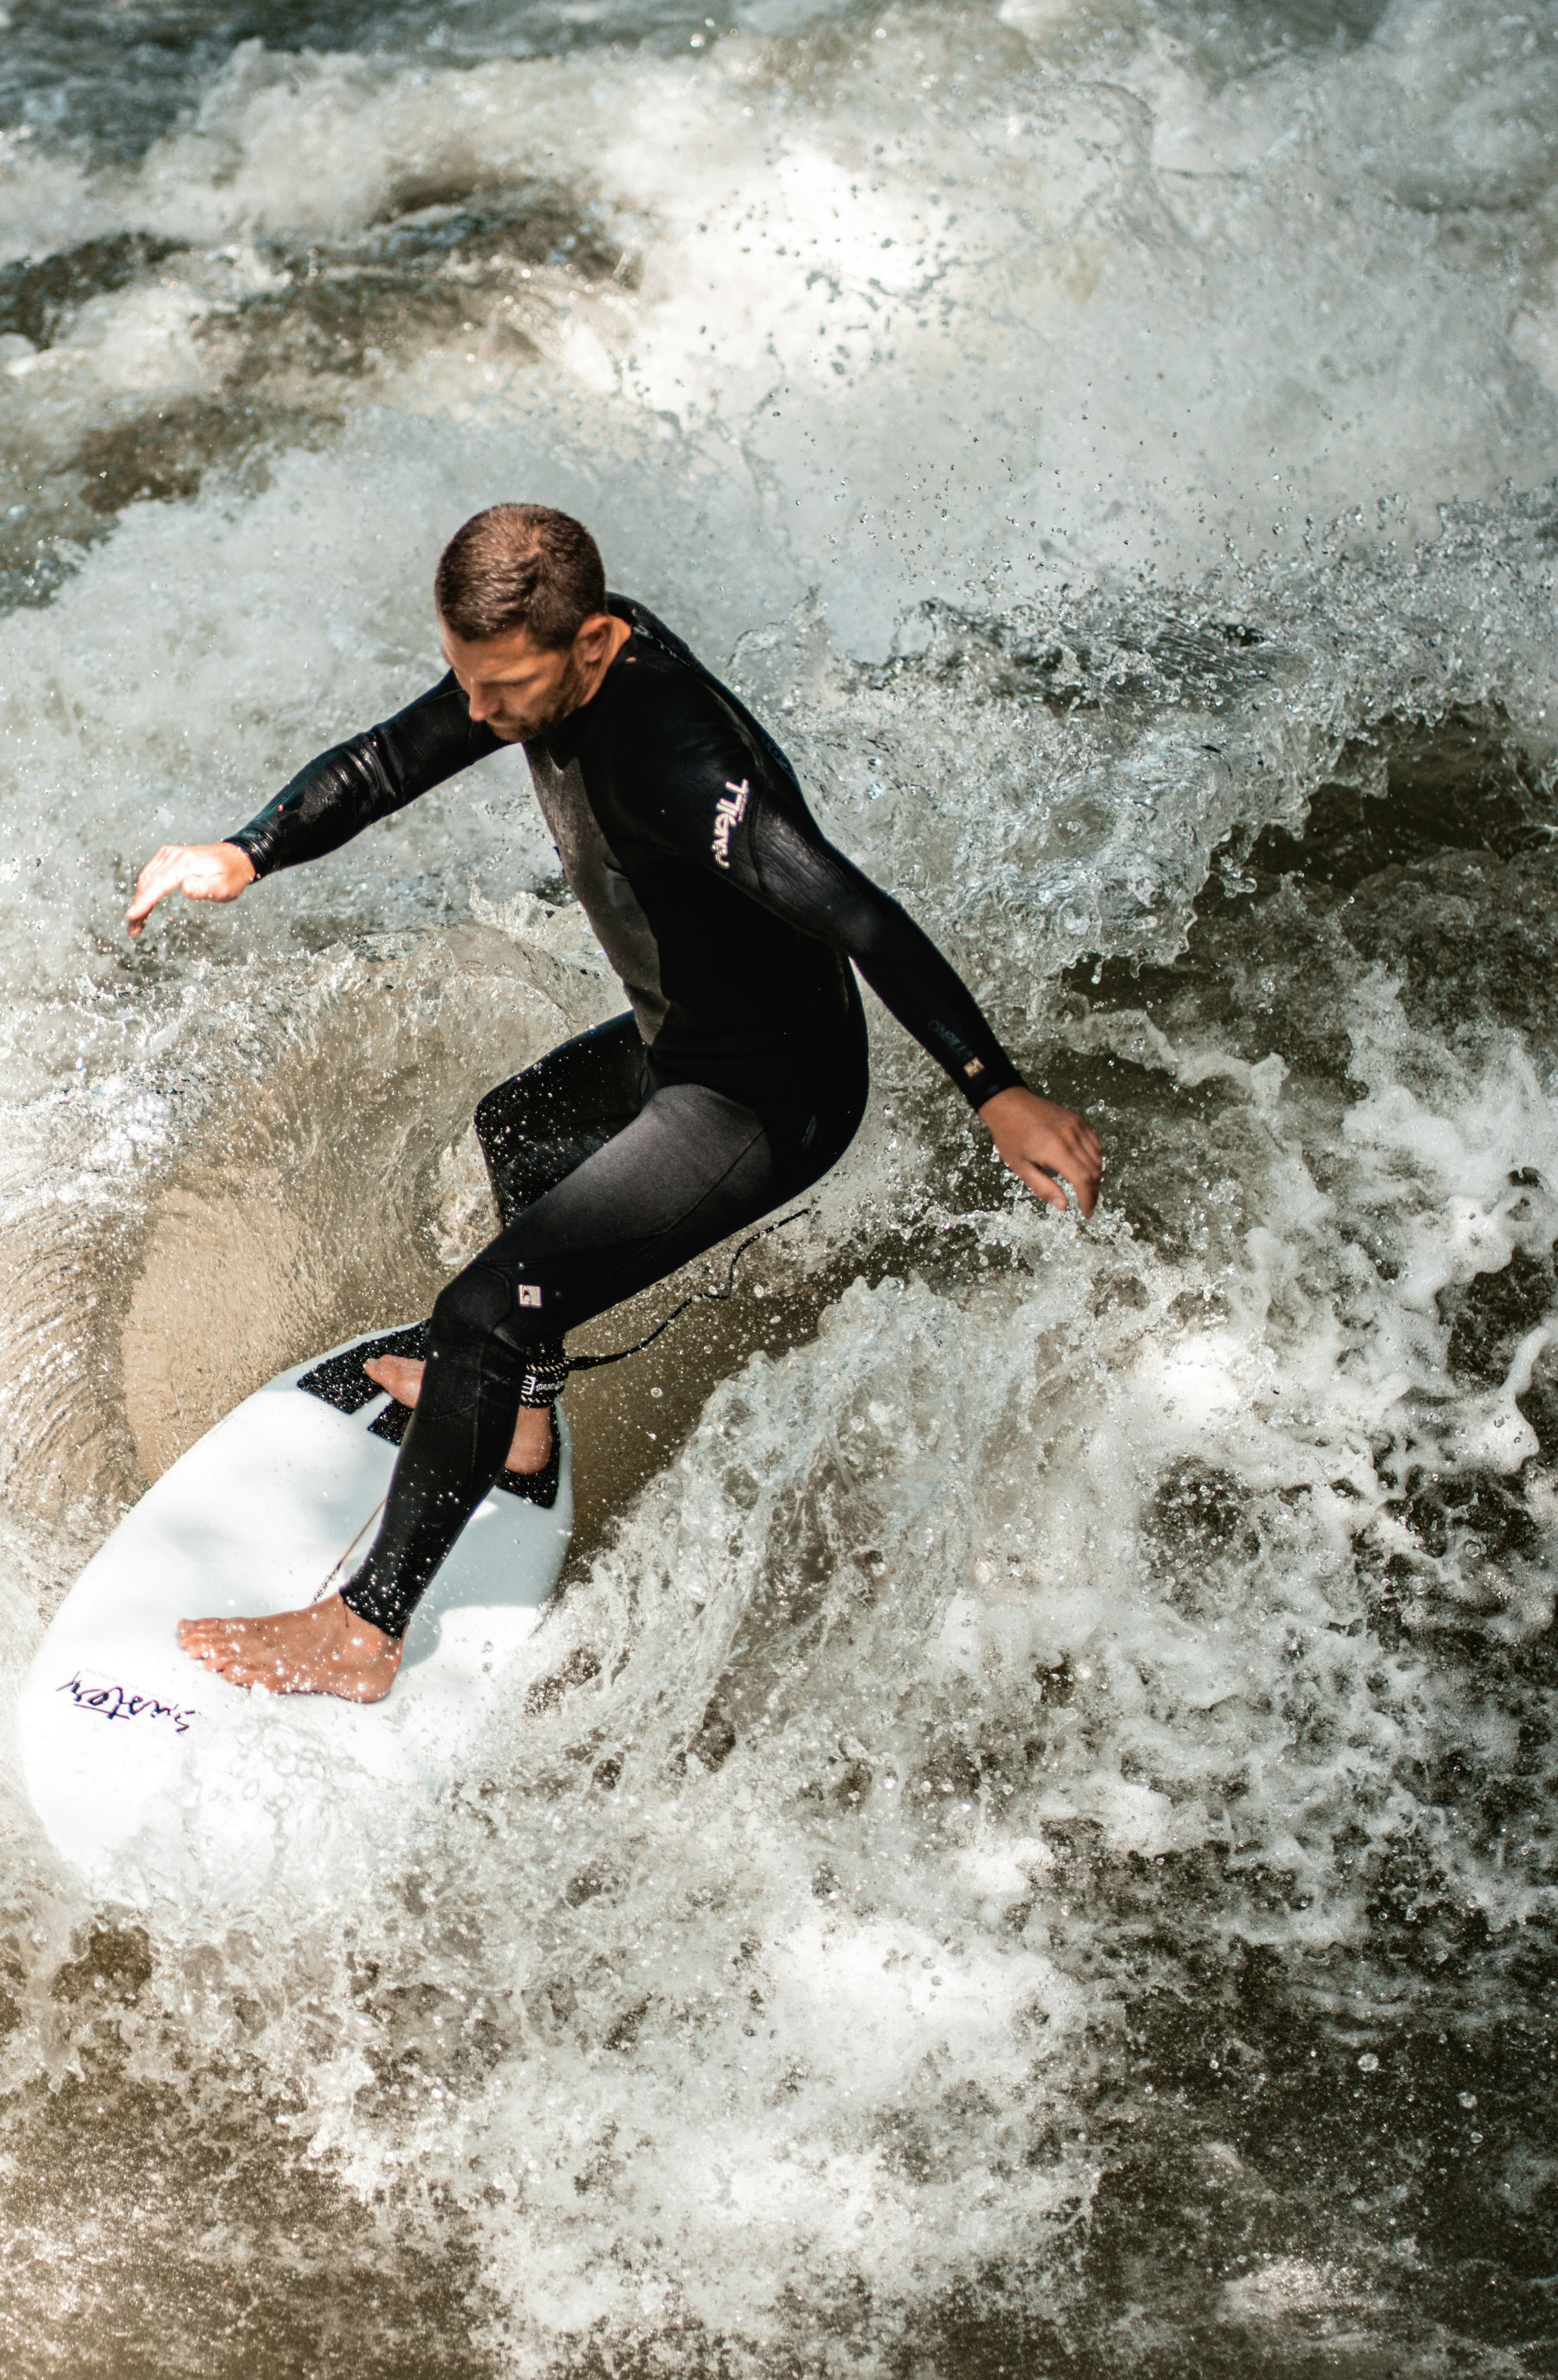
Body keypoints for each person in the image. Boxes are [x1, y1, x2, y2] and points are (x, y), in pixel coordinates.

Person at [127, 505, 1103, 1702]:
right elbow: (387, 762)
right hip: (683, 1035)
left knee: (481, 1310)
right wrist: (246, 852)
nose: (479, 716)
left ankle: (365, 1631)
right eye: (465, 682)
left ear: (591, 646)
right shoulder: (536, 669)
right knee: (520, 1130)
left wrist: (994, 1088)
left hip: (761, 1097)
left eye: (502, 690)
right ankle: (522, 1427)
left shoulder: (684, 762)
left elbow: (856, 912)